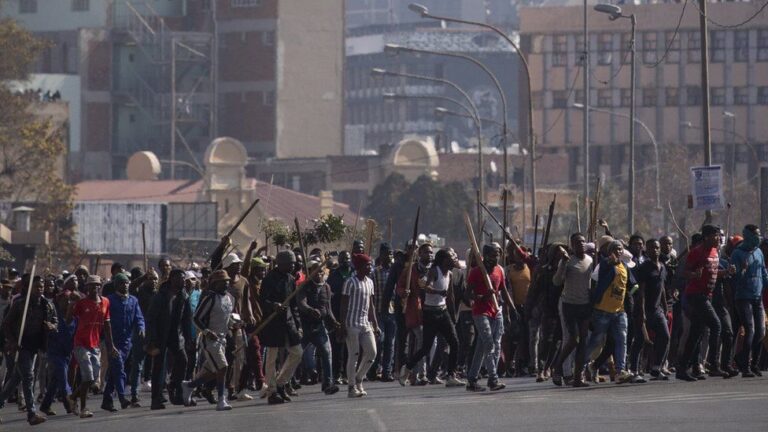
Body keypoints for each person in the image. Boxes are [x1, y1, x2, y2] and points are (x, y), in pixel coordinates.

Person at [399, 248, 464, 387]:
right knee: (426, 347)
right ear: (444, 259)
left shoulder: (450, 274)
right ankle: (407, 367)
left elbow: (450, 297)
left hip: (443, 312)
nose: (454, 258)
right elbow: (426, 288)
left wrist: (453, 315)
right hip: (430, 313)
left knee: (455, 342)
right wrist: (439, 292)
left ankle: (451, 375)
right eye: (451, 256)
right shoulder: (435, 271)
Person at [0, 275, 56, 425]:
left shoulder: (47, 305)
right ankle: (31, 413)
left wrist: (51, 326)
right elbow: (5, 324)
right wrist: (12, 341)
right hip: (20, 346)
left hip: (35, 346)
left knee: (15, 380)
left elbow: (55, 321)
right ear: (29, 288)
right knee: (28, 376)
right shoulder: (19, 304)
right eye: (36, 286)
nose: (40, 289)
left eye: (41, 287)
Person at [677, 225, 728, 382]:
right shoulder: (696, 252)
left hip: (707, 295)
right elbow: (684, 273)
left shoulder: (715, 251)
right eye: (715, 235)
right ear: (706, 237)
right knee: (716, 325)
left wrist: (725, 272)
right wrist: (694, 274)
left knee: (696, 332)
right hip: (696, 295)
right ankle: (713, 364)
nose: (718, 238)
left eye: (719, 236)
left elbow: (712, 272)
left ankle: (682, 369)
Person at [182, 270, 236, 411]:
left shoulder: (229, 298)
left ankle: (190, 386)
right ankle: (221, 400)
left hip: (223, 339)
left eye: (227, 281)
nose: (226, 284)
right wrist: (206, 331)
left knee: (214, 370)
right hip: (210, 341)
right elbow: (196, 317)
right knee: (223, 367)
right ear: (215, 283)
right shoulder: (210, 298)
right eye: (222, 281)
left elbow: (227, 318)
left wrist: (234, 324)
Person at [67, 275, 119, 418]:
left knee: (93, 378)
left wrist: (111, 346)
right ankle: (84, 408)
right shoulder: (82, 303)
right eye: (91, 285)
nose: (94, 288)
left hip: (95, 345)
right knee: (88, 376)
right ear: (87, 288)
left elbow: (107, 325)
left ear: (100, 286)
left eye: (97, 285)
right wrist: (71, 304)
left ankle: (72, 397)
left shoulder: (106, 302)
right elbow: (68, 319)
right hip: (81, 344)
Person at [585, 240, 636, 384]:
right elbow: (594, 281)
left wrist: (628, 296)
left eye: (620, 249)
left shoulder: (625, 266)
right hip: (603, 311)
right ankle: (581, 366)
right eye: (615, 249)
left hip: (619, 312)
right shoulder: (604, 265)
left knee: (621, 340)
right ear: (609, 251)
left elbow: (634, 285)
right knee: (595, 341)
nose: (618, 252)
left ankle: (620, 370)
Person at [466, 244, 515, 392]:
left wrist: (512, 309)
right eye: (493, 254)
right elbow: (468, 294)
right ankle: (493, 379)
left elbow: (504, 291)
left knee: (488, 346)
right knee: (488, 344)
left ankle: (472, 380)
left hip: (496, 311)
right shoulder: (476, 272)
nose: (496, 257)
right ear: (485, 256)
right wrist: (482, 296)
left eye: (498, 254)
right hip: (481, 312)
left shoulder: (500, 270)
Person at [259, 251, 304, 404]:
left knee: (297, 353)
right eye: (290, 263)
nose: (293, 266)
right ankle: (272, 391)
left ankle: (280, 383)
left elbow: (294, 306)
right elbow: (262, 301)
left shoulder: (291, 280)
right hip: (272, 324)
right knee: (271, 358)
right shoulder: (268, 280)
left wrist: (298, 326)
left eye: (293, 263)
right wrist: (273, 306)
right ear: (281, 264)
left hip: (288, 323)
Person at [145, 269, 192, 409]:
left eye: (183, 278)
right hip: (159, 335)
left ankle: (174, 388)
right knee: (158, 367)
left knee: (183, 360)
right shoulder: (160, 296)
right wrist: (151, 340)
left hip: (175, 335)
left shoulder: (184, 295)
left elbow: (187, 319)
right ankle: (156, 399)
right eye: (179, 278)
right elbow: (151, 319)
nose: (182, 281)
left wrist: (189, 338)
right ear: (171, 279)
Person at [551, 233, 593, 387]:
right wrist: (562, 263)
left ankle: (577, 377)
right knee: (573, 339)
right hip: (569, 304)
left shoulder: (590, 261)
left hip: (585, 305)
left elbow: (591, 282)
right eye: (577, 243)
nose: (581, 244)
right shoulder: (568, 262)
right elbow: (556, 281)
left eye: (582, 242)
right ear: (572, 245)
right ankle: (557, 367)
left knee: (583, 340)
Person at [102, 272, 145, 412]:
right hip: (113, 342)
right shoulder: (109, 300)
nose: (125, 285)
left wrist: (141, 327)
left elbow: (139, 317)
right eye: (122, 283)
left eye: (126, 283)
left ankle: (107, 400)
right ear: (116, 285)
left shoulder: (133, 300)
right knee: (119, 369)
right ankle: (121, 398)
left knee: (116, 371)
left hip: (127, 342)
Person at [297, 260, 340, 395]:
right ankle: (286, 383)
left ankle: (327, 384)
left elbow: (328, 308)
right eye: (316, 270)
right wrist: (310, 310)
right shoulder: (303, 287)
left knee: (327, 353)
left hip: (319, 326)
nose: (319, 273)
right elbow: (301, 304)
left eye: (321, 270)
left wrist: (334, 321)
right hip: (304, 327)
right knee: (295, 355)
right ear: (309, 272)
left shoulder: (326, 287)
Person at [730, 224, 768, 377]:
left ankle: (754, 364)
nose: (758, 238)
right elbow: (733, 278)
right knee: (750, 329)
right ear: (747, 236)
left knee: (761, 330)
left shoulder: (759, 252)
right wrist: (742, 270)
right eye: (755, 235)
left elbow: (763, 273)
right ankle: (744, 366)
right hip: (743, 297)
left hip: (757, 297)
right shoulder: (737, 254)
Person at [631, 239, 672, 380]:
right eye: (651, 248)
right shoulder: (644, 268)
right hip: (644, 310)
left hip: (658, 310)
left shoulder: (662, 267)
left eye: (657, 247)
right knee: (640, 340)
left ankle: (656, 368)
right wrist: (641, 312)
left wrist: (665, 307)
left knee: (665, 337)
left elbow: (662, 289)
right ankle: (634, 371)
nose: (655, 250)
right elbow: (640, 292)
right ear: (646, 250)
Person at [340, 253, 379, 397]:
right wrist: (342, 325)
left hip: (365, 323)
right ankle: (351, 387)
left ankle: (359, 378)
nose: (370, 267)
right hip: (352, 324)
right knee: (354, 354)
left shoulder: (369, 282)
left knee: (372, 352)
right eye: (367, 265)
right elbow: (343, 305)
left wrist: (375, 324)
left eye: (370, 264)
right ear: (359, 266)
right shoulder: (350, 282)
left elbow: (371, 306)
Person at [371, 243, 393, 381]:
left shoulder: (395, 272)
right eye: (387, 254)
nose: (390, 256)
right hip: (378, 311)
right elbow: (371, 295)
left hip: (392, 313)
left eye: (391, 254)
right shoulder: (375, 273)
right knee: (379, 341)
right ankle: (373, 370)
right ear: (381, 255)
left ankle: (387, 372)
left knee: (390, 343)